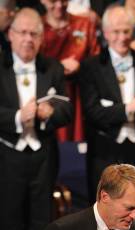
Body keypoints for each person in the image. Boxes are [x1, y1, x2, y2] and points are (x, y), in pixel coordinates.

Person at [0, 8, 72, 230]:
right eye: (23, 33)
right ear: (10, 35)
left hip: (43, 156)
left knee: (41, 223)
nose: (28, 39)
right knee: (8, 222)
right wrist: (19, 116)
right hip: (7, 155)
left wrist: (49, 115)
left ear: (42, 39)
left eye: (34, 34)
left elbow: (67, 112)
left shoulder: (53, 69)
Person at [79, 4, 135, 198]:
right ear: (106, 33)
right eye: (116, 32)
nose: (122, 37)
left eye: (126, 31)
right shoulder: (91, 66)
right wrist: (130, 107)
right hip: (104, 151)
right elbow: (93, 112)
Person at [40, 0, 100, 142]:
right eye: (53, 1)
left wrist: (81, 67)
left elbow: (99, 65)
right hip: (46, 97)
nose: (59, 5)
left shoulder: (84, 24)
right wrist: (58, 67)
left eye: (64, 0)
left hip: (81, 96)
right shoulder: (36, 27)